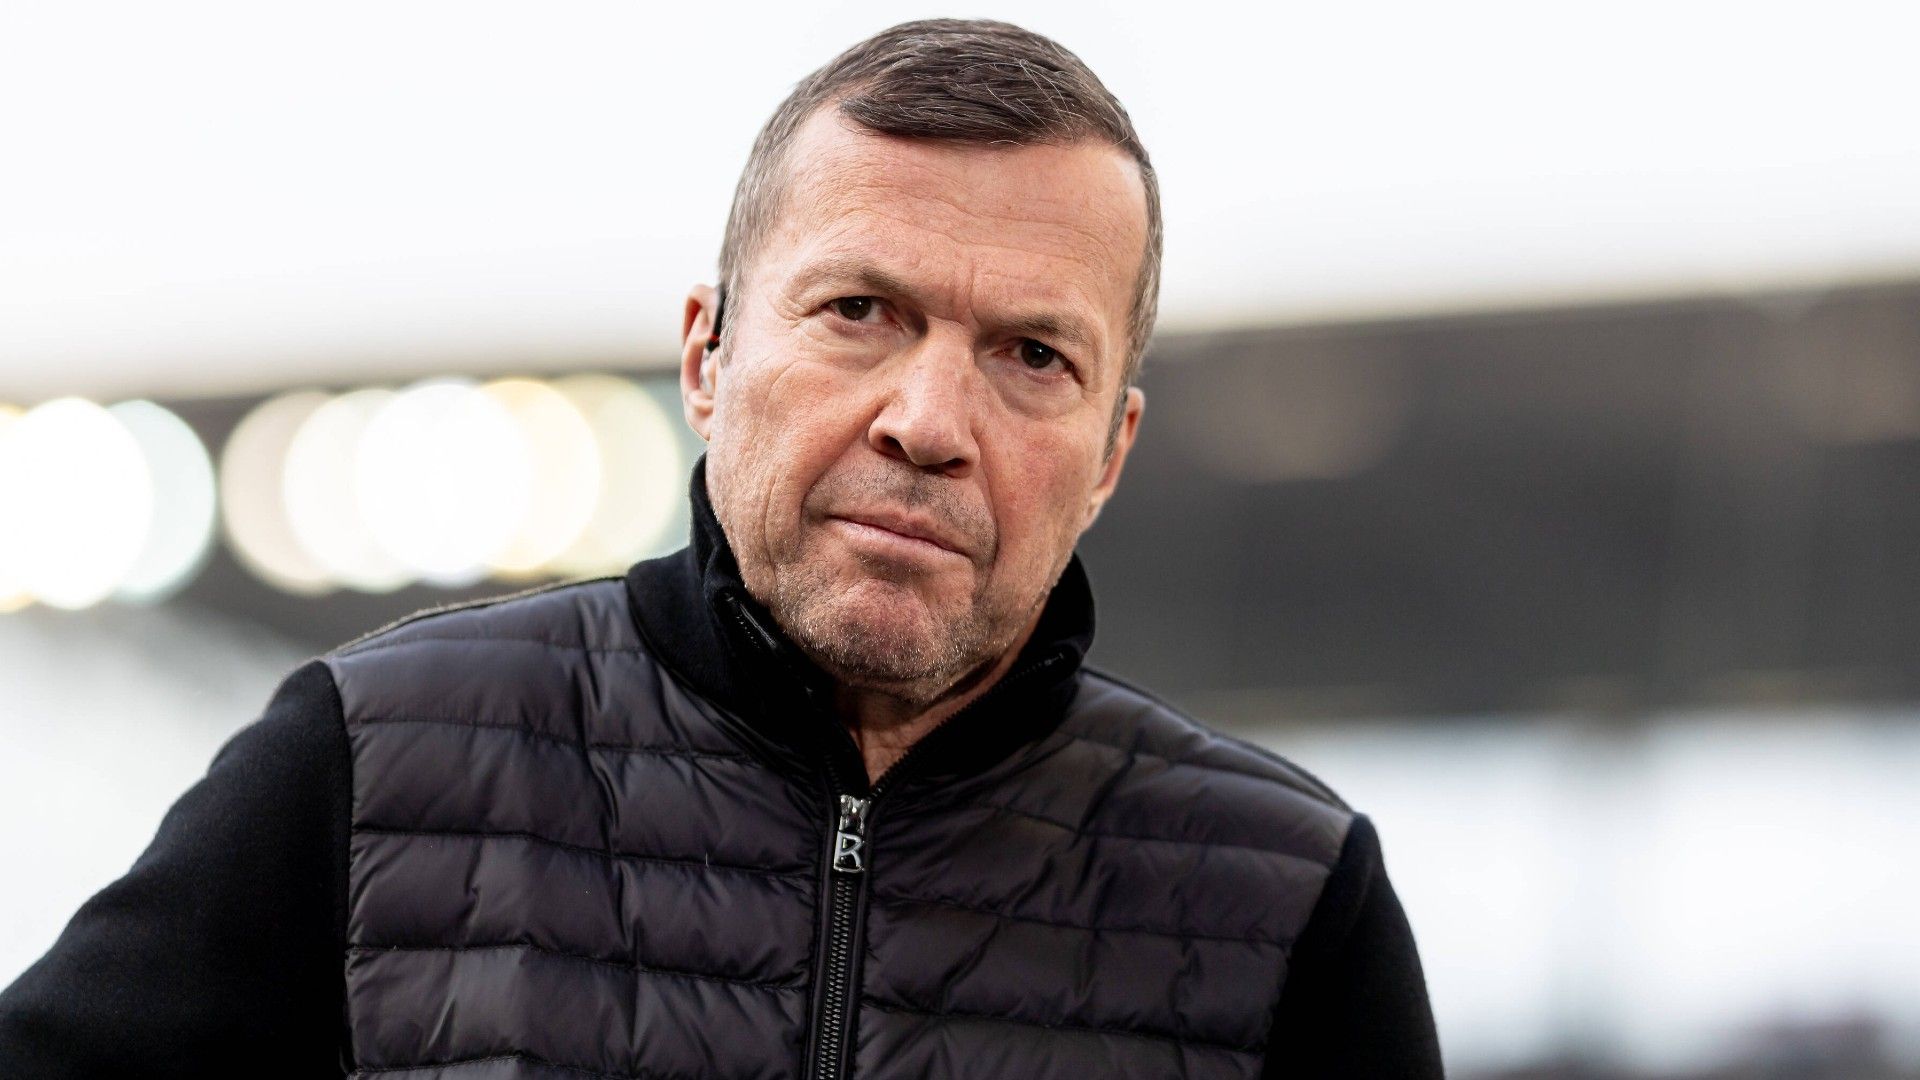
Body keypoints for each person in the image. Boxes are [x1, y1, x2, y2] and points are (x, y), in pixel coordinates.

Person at [0, 18, 1441, 1079]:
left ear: (1111, 451)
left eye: (1031, 355)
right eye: (860, 312)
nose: (929, 423)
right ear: (708, 355)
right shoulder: (369, 767)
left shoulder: (1290, 906)